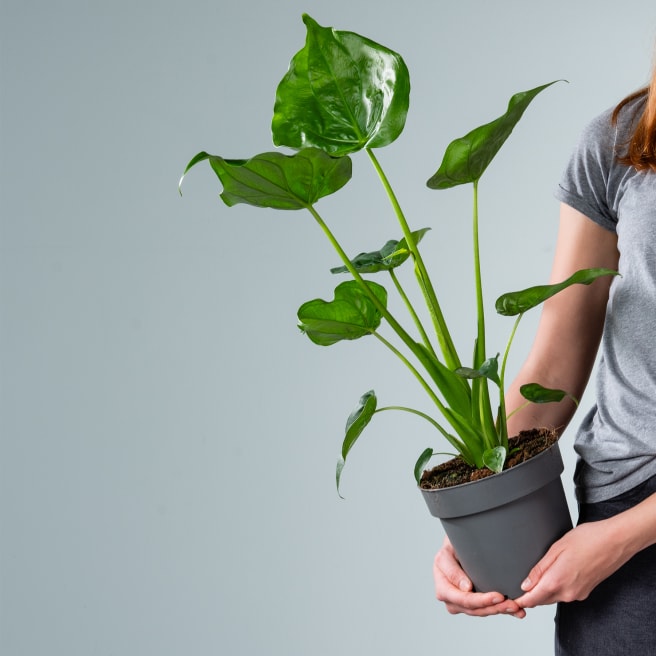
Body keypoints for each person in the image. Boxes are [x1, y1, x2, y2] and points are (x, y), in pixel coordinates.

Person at [433, 63, 656, 655]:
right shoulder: (622, 141)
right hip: (622, 512)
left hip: (620, 538)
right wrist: (476, 519)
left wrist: (623, 539)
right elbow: (553, 371)